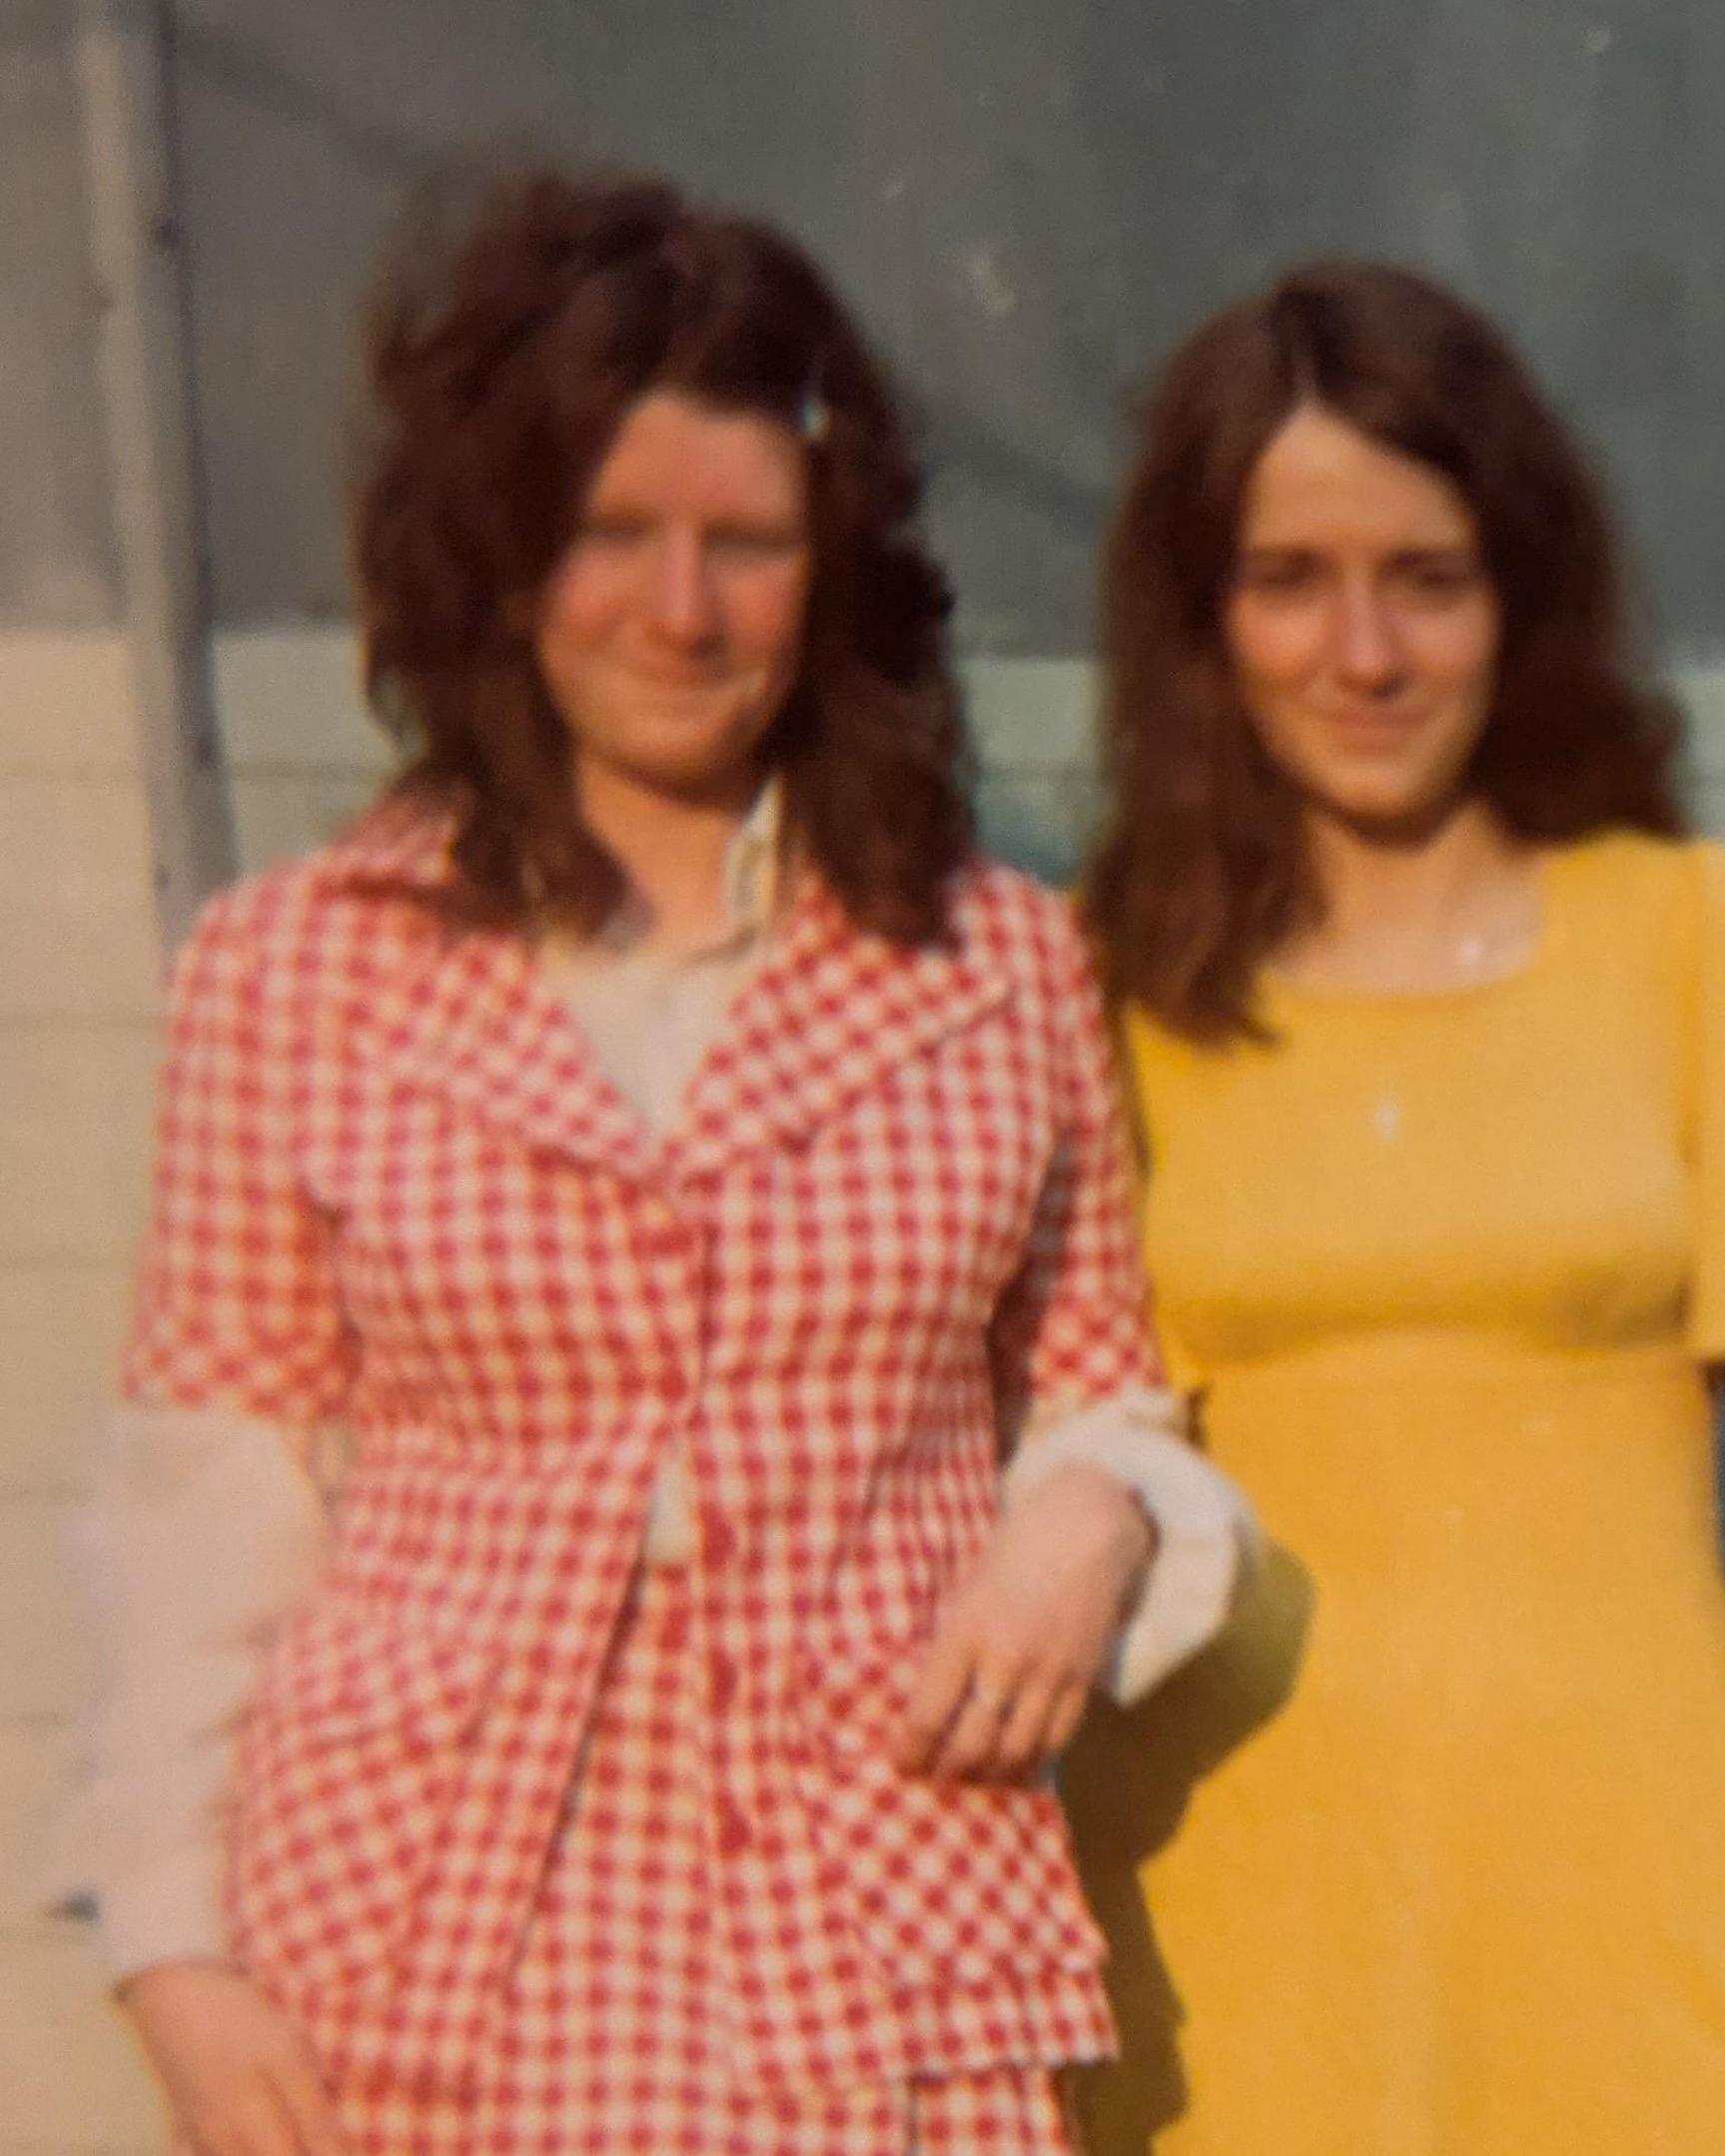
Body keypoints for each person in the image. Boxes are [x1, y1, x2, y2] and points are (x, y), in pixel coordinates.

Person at [46, 169, 1251, 2156]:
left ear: (830, 568)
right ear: (498, 558)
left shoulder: (1000, 964)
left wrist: (1089, 1523)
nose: (678, 614)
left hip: (874, 1935)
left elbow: (1102, 1386)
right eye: (609, 535)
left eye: (746, 545)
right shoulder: (299, 965)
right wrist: (174, 1950)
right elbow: (211, 1496)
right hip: (428, 1937)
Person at [1066, 259, 1725, 2156]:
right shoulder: (1096, 990)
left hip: (1623, 1907)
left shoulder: (1706, 948)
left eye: (1428, 577)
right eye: (1291, 582)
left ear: (1519, 599)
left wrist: (1702, 1791)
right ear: (1206, 620)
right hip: (1219, 1903)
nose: (1366, 654)